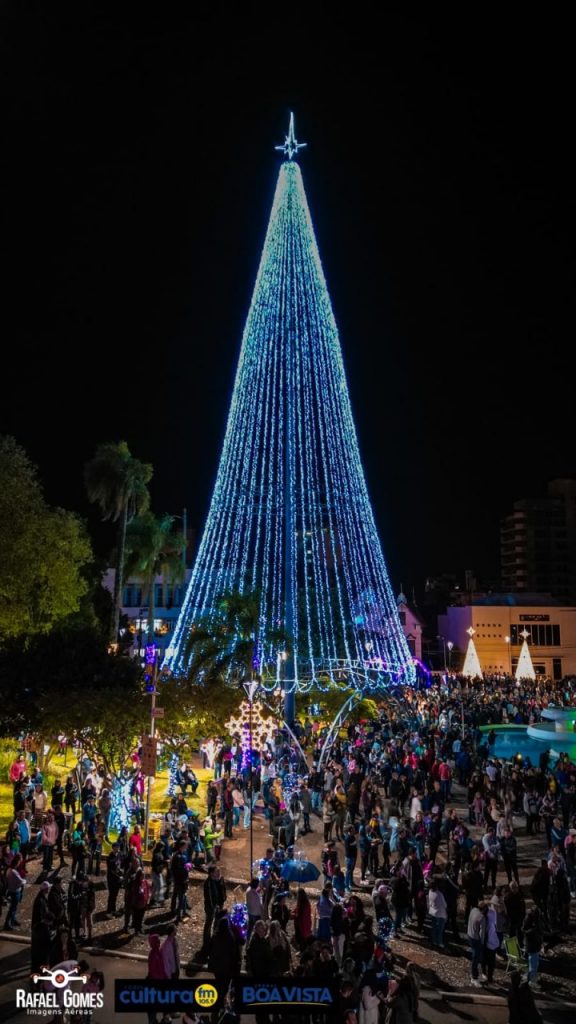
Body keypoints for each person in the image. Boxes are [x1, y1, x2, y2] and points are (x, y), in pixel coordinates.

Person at [203, 864, 226, 954]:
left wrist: (223, 899)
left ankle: (214, 940)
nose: (219, 872)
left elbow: (223, 890)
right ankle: (206, 943)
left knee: (217, 923)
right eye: (217, 871)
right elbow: (208, 897)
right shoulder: (208, 883)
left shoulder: (220, 879)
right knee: (208, 924)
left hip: (219, 905)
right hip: (211, 907)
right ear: (211, 873)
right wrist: (213, 907)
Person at [146, 934, 168, 1024]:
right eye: (157, 941)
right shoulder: (153, 955)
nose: (159, 942)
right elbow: (155, 972)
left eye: (159, 941)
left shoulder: (157, 952)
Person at [3, 853, 26, 930]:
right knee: (13, 908)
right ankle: (8, 923)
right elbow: (21, 881)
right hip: (15, 891)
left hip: (11, 890)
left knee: (13, 908)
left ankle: (13, 920)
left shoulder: (9, 870)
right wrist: (24, 881)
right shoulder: (14, 872)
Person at [467, 900, 487, 986]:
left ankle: (476, 975)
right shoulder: (482, 917)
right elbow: (481, 933)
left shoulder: (473, 910)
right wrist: (482, 943)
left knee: (475, 957)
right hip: (476, 939)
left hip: (469, 935)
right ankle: (474, 977)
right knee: (476, 958)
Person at [523, 907, 543, 986]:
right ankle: (532, 981)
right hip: (532, 946)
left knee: (534, 963)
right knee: (533, 964)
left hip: (535, 945)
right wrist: (534, 930)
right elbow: (525, 930)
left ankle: (530, 977)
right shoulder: (531, 922)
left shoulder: (534, 921)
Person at [428, 878, 447, 949]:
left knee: (434, 928)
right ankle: (439, 942)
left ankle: (434, 941)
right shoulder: (439, 894)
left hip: (432, 912)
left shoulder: (430, 891)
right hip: (440, 914)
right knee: (440, 930)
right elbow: (444, 905)